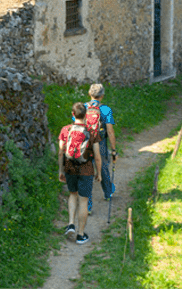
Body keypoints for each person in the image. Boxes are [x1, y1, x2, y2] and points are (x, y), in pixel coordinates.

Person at [59, 102, 102, 245]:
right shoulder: (92, 132)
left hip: (69, 167)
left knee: (72, 194)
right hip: (86, 169)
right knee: (83, 200)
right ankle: (80, 234)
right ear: (86, 116)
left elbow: (61, 152)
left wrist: (61, 170)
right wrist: (99, 173)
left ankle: (71, 224)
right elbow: (97, 156)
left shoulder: (66, 129)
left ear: (73, 114)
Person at [85, 83, 117, 212]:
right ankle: (108, 193)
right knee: (103, 167)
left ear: (89, 94)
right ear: (102, 96)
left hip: (85, 143)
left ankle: (88, 206)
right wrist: (114, 149)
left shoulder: (82, 107)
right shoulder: (106, 110)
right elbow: (110, 131)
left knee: (86, 172)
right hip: (100, 142)